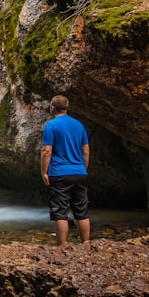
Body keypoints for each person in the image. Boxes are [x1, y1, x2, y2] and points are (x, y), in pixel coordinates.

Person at [40, 95, 90, 245]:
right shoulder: (79, 125)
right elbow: (86, 150)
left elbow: (46, 151)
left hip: (59, 173)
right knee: (81, 212)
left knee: (60, 213)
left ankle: (62, 247)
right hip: (79, 172)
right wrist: (83, 169)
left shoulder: (51, 125)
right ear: (66, 108)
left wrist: (44, 172)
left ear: (53, 108)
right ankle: (86, 245)